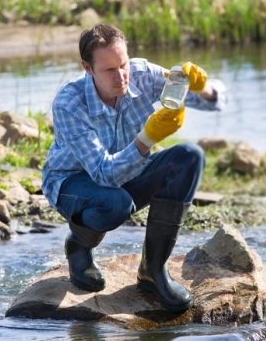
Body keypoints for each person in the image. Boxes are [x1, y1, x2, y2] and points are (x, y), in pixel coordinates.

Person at [42, 24, 226, 313]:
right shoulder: (69, 102)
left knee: (190, 156)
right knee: (115, 204)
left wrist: (204, 88)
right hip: (73, 183)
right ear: (88, 68)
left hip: (127, 169)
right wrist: (148, 137)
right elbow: (103, 174)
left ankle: (153, 270)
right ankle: (79, 243)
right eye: (109, 70)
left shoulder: (141, 74)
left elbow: (213, 103)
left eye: (123, 64)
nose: (121, 77)